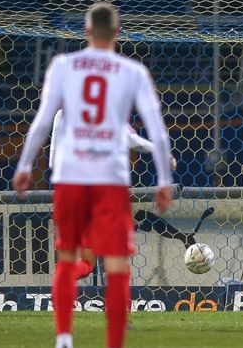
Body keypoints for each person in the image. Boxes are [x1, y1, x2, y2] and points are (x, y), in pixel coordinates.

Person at [13, 1, 173, 348]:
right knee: (117, 266)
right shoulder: (132, 71)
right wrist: (164, 178)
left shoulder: (64, 66)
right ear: (117, 33)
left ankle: (64, 344)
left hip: (69, 175)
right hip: (110, 178)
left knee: (67, 259)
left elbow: (41, 122)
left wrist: (24, 166)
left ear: (86, 32)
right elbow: (157, 130)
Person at [50, 112, 203, 281]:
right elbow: (133, 140)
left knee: (86, 263)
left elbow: (53, 161)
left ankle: (62, 279)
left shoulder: (63, 113)